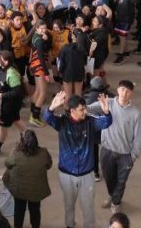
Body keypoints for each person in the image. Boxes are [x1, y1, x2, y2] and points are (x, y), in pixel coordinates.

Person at [44, 91, 112, 228]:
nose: (85, 111)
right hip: (66, 173)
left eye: (85, 108)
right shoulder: (62, 122)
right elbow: (47, 118)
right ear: (72, 111)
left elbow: (106, 123)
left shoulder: (90, 121)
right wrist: (51, 108)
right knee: (69, 205)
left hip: (87, 174)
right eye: (82, 109)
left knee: (88, 206)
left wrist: (106, 112)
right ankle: (70, 225)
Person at [88, 80, 141, 214]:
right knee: (109, 177)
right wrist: (76, 103)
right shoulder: (109, 103)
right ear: (117, 90)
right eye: (122, 89)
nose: (124, 93)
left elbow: (139, 136)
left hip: (125, 155)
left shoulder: (136, 113)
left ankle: (116, 202)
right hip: (107, 150)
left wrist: (133, 156)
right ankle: (111, 194)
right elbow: (88, 108)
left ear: (131, 93)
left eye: (128, 91)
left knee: (121, 181)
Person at [3, 129, 52, 228]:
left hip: (19, 190)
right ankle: (35, 226)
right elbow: (49, 165)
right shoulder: (43, 152)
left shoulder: (15, 153)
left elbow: (7, 164)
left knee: (19, 209)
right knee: (35, 210)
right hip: (36, 190)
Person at [0, 51, 27, 157]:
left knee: (3, 125)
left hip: (10, 105)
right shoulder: (3, 69)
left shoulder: (11, 73)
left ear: (6, 61)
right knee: (16, 120)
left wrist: (1, 95)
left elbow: (17, 92)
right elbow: (3, 83)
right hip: (8, 103)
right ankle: (29, 138)